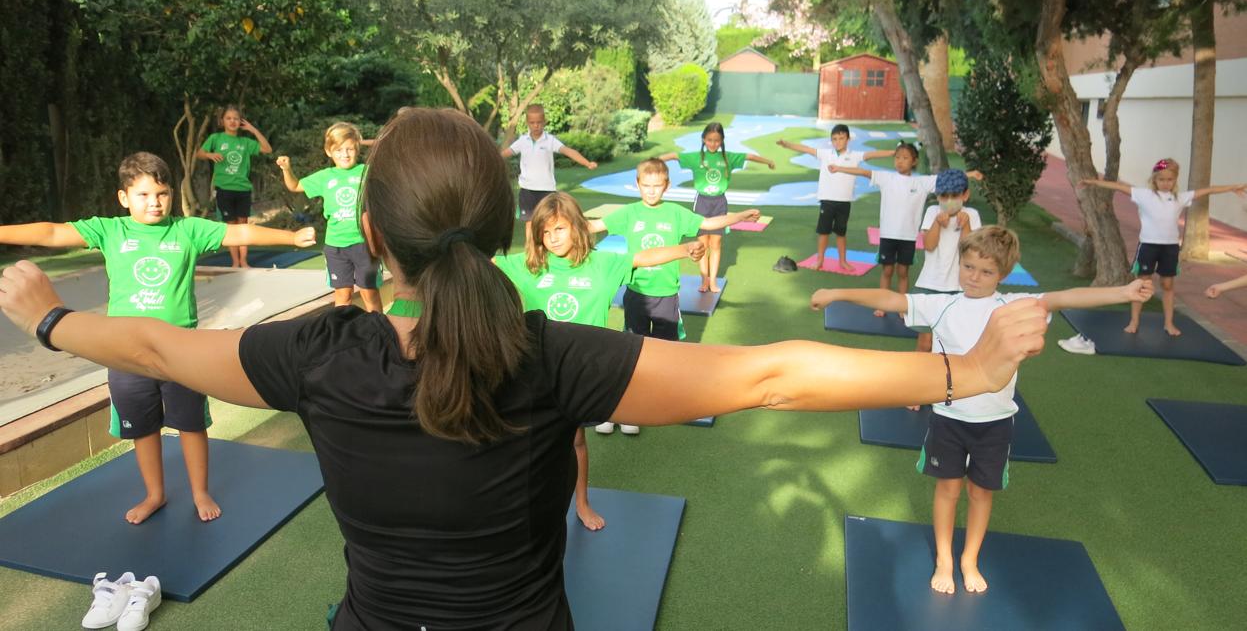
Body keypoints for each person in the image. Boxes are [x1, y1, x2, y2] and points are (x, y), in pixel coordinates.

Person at [0, 109, 1049, 629]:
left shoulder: (313, 349)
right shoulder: (549, 356)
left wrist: (47, 317)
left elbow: (148, 342)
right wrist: (960, 373)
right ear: (508, 226)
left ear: (369, 231)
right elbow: (769, 376)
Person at [811, 225, 1152, 596]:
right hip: (948, 419)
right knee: (948, 490)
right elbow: (891, 299)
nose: (974, 277)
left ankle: (969, 559)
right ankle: (944, 557)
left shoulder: (1014, 307)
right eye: (969, 267)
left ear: (1003, 275)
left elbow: (1066, 297)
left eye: (986, 271)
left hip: (995, 422)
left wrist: (1124, 291)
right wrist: (836, 292)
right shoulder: (942, 305)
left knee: (981, 493)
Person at [0, 152, 315, 525]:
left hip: (180, 352)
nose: (154, 203)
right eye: (144, 195)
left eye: (162, 194)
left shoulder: (186, 230)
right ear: (124, 197)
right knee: (143, 428)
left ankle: (200, 491)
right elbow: (51, 232)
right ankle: (155, 494)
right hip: (125, 355)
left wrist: (291, 237)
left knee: (191, 424)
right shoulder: (109, 230)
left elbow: (238, 232)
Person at [496, 192, 705, 530]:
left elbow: (644, 257)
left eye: (560, 229)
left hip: (581, 373)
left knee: (576, 441)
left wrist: (684, 249)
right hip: (537, 373)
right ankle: (523, 503)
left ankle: (581, 502)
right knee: (528, 443)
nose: (552, 239)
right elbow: (481, 265)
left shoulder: (603, 265)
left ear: (578, 228)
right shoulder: (528, 266)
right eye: (545, 233)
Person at [587, 158, 762, 434]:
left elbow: (709, 222)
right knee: (633, 348)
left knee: (668, 350)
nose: (651, 191)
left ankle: (662, 398)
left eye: (657, 186)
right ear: (637, 184)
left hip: (667, 294)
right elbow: (593, 227)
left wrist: (739, 216)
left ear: (666, 186)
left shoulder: (676, 213)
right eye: (646, 186)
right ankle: (627, 408)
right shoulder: (628, 213)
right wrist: (556, 228)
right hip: (636, 293)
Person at [1079, 158, 1246, 336]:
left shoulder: (1180, 198)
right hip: (1148, 246)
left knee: (1167, 284)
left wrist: (1231, 188)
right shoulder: (1143, 195)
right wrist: (1093, 182)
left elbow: (1208, 191)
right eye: (1162, 179)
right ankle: (1134, 322)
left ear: (1175, 180)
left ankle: (1168, 323)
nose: (1166, 183)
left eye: (1170, 179)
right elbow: (1119, 186)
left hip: (1170, 248)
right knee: (1141, 284)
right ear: (1154, 179)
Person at [831, 144, 982, 316]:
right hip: (888, 234)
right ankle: (882, 305)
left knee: (903, 272)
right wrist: (839, 168)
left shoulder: (922, 182)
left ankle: (902, 307)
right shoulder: (887, 178)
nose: (900, 161)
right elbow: (865, 173)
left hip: (908, 237)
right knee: (887, 270)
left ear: (914, 161)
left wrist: (971, 174)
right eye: (897, 157)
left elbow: (947, 179)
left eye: (905, 158)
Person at [277, 122, 382, 312]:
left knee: (370, 293)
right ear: (329, 152)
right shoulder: (325, 177)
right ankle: (341, 334)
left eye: (350, 148)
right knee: (343, 295)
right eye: (339, 150)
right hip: (336, 247)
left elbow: (387, 152)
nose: (345, 154)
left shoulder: (366, 172)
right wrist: (286, 169)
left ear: (357, 148)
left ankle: (379, 333)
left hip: (364, 245)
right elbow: (294, 186)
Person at [658, 122, 775, 292]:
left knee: (716, 243)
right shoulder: (696, 157)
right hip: (702, 203)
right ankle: (704, 280)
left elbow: (749, 156)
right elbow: (675, 156)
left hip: (719, 203)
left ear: (722, 141)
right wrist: (654, 161)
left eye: (717, 140)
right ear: (703, 139)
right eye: (709, 140)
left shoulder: (728, 158)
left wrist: (769, 161)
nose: (713, 143)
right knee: (702, 244)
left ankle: (713, 281)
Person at [777, 124, 896, 273]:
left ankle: (843, 261)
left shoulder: (855, 155)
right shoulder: (825, 154)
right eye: (834, 139)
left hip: (844, 202)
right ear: (831, 141)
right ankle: (820, 260)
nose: (838, 142)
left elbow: (872, 155)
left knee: (841, 233)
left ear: (848, 139)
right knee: (824, 232)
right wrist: (786, 144)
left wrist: (893, 152)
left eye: (841, 138)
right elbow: (805, 149)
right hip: (827, 200)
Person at [499, 104, 598, 241]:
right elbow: (505, 153)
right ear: (527, 123)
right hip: (527, 190)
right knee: (530, 223)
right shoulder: (523, 141)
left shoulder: (550, 141)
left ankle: (547, 249)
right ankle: (530, 253)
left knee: (548, 223)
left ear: (544, 122)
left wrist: (587, 163)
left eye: (539, 122)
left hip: (546, 190)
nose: (536, 126)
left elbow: (568, 151)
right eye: (532, 123)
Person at [912, 169, 982, 353]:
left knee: (951, 341)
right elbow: (928, 245)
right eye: (944, 196)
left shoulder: (972, 215)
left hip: (958, 287)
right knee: (925, 343)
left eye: (954, 195)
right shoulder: (932, 211)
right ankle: (918, 378)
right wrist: (937, 224)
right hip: (930, 284)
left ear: (965, 195)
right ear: (937, 196)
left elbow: (970, 253)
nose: (949, 200)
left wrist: (965, 225)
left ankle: (945, 378)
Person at [195, 105, 273, 267]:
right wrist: (210, 154)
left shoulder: (245, 142)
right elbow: (199, 154)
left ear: (241, 121)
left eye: (236, 118)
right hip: (224, 189)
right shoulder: (216, 138)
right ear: (222, 121)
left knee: (242, 225)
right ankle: (235, 262)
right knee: (230, 227)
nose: (232, 121)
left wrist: (253, 130)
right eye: (228, 118)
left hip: (243, 189)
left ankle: (244, 261)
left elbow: (267, 149)